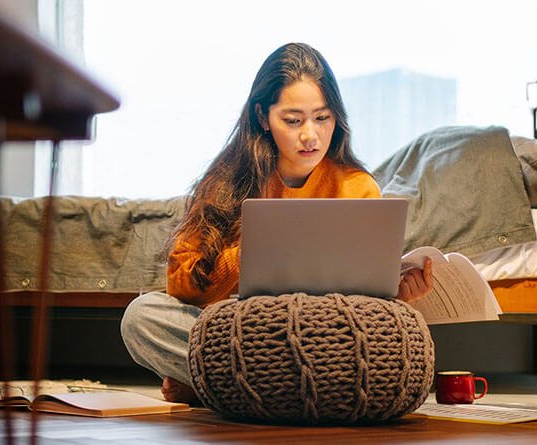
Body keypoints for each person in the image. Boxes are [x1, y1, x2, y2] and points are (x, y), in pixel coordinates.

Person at [119, 43, 433, 404]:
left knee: (387, 346)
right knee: (141, 316)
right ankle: (285, 394)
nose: (310, 135)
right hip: (251, 335)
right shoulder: (227, 182)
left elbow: (362, 311)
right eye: (293, 120)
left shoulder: (356, 186)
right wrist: (251, 253)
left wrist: (400, 297)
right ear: (262, 117)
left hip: (323, 340)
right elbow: (183, 284)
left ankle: (221, 387)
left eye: (323, 117)